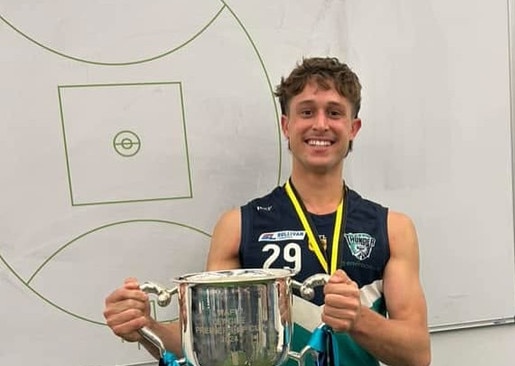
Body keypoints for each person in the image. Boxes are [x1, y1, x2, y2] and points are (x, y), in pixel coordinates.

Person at [103, 56, 431, 366]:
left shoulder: (391, 228)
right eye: (306, 112)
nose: (320, 125)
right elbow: (209, 344)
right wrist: (146, 327)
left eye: (334, 112)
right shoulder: (239, 227)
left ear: (353, 127)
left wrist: (359, 319)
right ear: (286, 125)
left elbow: (417, 354)